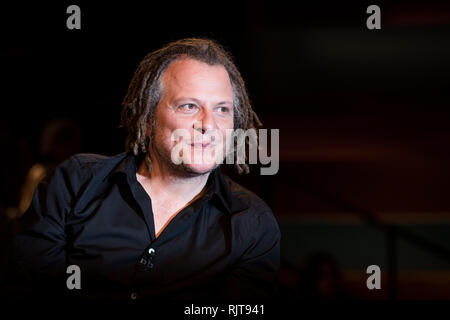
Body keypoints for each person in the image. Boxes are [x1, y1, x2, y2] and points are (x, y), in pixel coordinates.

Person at [11, 38, 280, 302]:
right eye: (189, 106)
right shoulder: (74, 183)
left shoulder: (252, 223)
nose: (208, 124)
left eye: (222, 109)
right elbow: (30, 287)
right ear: (148, 119)